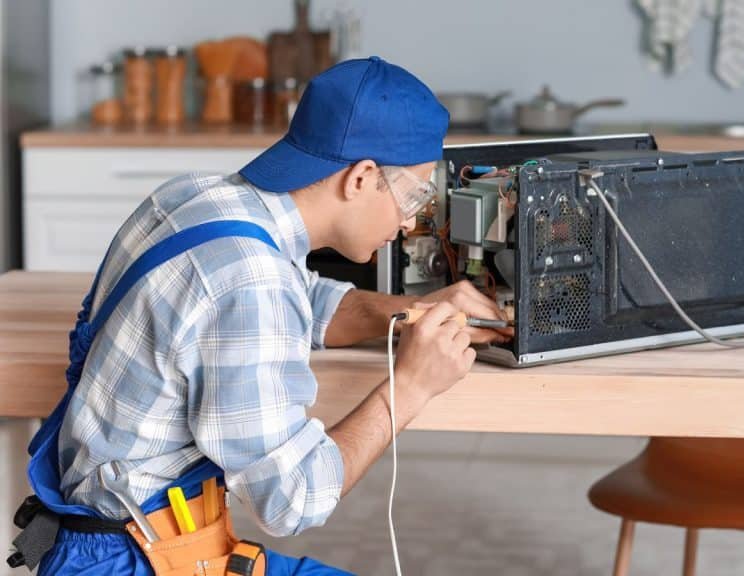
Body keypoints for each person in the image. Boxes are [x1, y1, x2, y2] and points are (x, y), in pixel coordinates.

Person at [9, 56, 510, 575]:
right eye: (413, 196)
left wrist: (411, 311)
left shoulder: (198, 197)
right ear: (361, 178)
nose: (410, 223)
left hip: (129, 534)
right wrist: (410, 387)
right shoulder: (251, 282)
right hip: (129, 560)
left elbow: (301, 300)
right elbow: (293, 499)